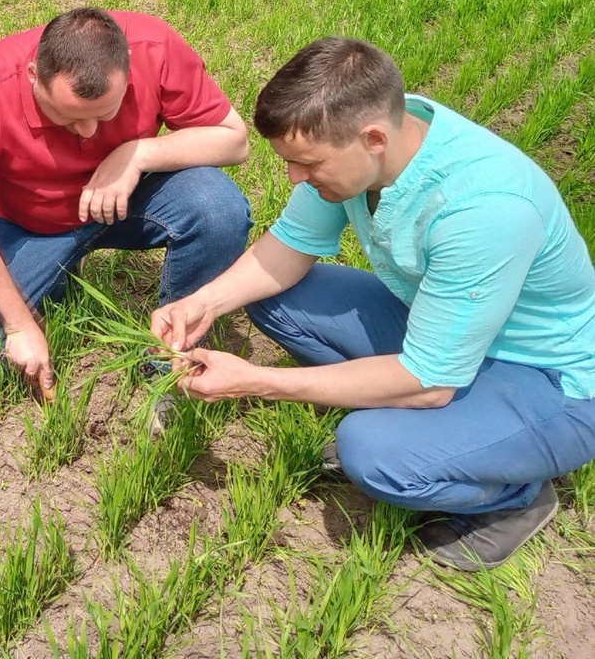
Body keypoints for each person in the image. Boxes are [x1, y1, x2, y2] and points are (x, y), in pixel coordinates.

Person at [154, 38, 595, 571]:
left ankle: (515, 497)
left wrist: (257, 380)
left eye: (306, 164)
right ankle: (435, 427)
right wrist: (202, 303)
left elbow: (431, 383)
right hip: (447, 334)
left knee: (372, 452)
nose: (294, 178)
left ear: (374, 138)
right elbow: (289, 247)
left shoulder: (485, 209)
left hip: (547, 379)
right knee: (280, 297)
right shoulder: (378, 140)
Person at [0, 8, 252, 396]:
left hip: (125, 202)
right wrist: (19, 326)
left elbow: (234, 140)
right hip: (27, 223)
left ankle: (171, 361)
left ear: (129, 69)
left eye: (106, 113)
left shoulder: (155, 47)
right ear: (33, 75)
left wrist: (137, 154)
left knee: (218, 208)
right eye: (65, 117)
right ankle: (59, 274)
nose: (87, 131)